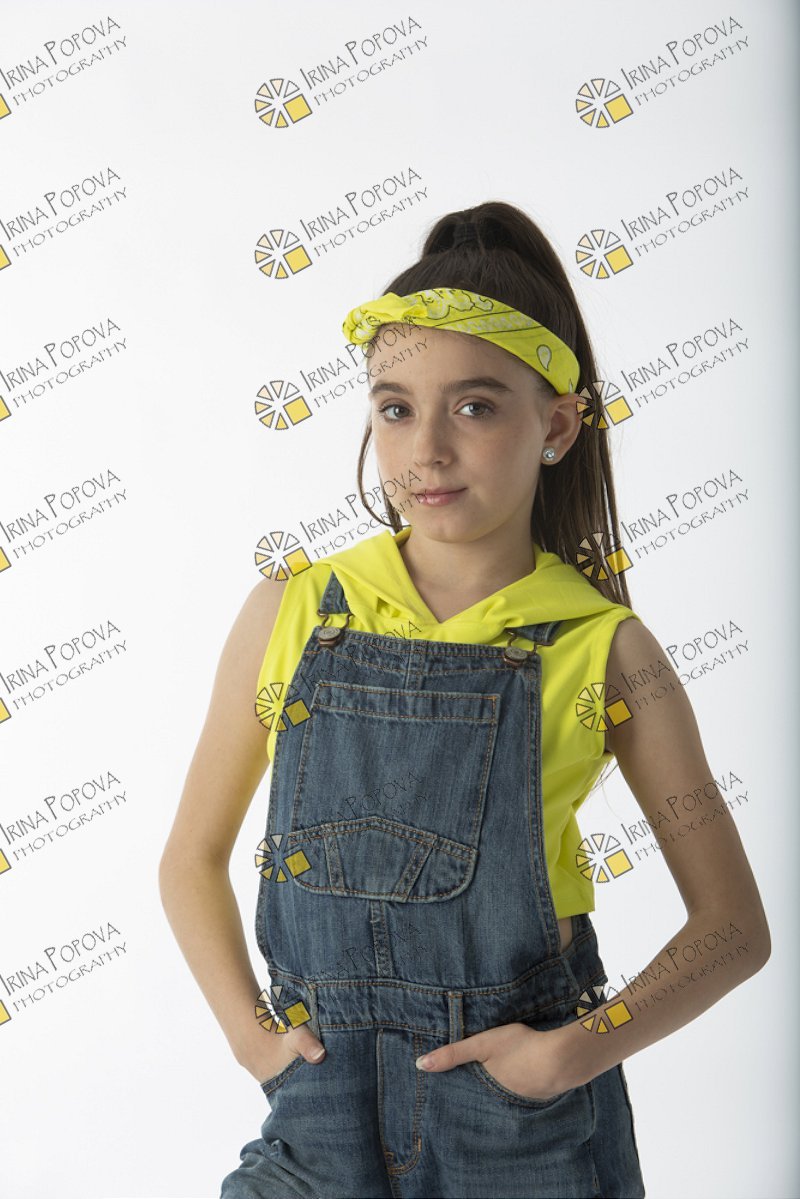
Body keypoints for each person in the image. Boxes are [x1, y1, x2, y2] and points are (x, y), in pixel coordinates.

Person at [159, 201, 771, 1199]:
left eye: (475, 407)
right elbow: (189, 856)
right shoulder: (293, 608)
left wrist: (570, 1053)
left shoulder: (603, 647)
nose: (427, 450)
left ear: (557, 424)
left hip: (519, 1128)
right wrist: (251, 1040)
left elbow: (732, 926)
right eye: (396, 407)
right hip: (318, 1104)